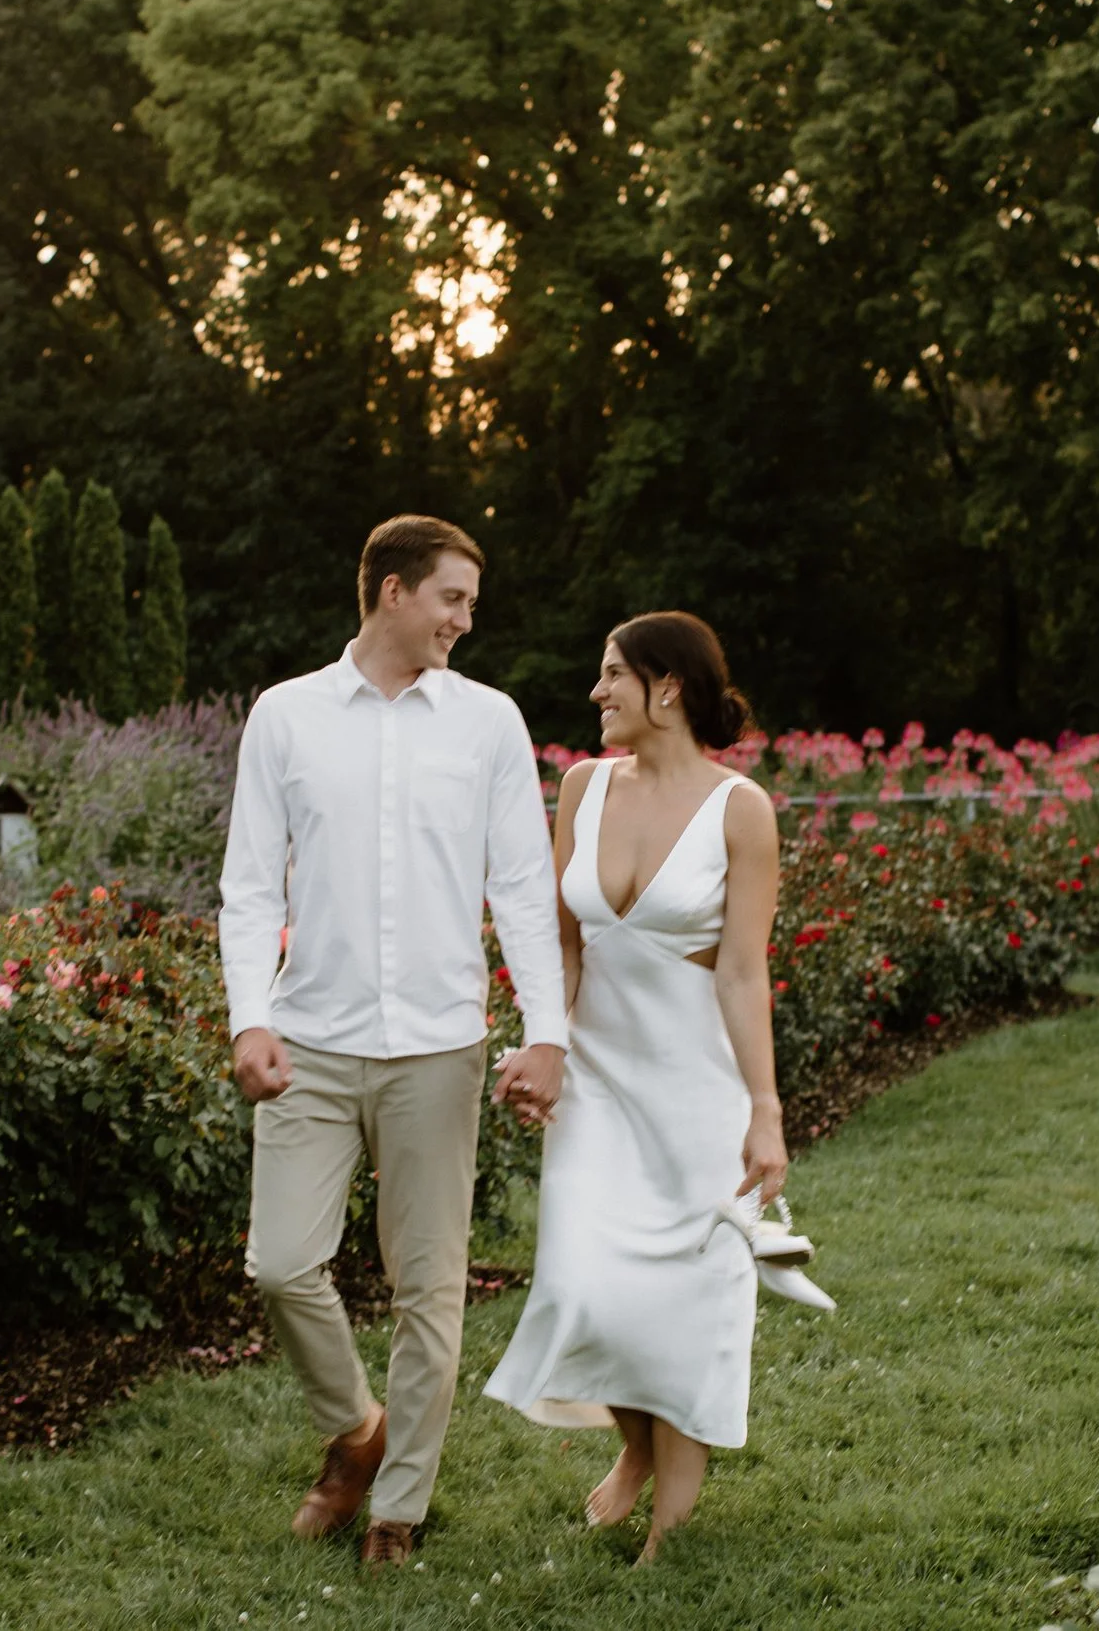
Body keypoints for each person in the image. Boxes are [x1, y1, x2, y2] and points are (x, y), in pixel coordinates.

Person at [217, 515, 571, 1569]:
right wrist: (249, 1013)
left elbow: (518, 886)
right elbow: (246, 884)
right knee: (281, 1263)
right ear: (390, 590)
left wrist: (544, 1031)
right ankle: (360, 1428)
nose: (466, 618)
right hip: (311, 1040)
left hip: (436, 1047)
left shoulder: (487, 722)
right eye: (453, 597)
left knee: (430, 1286)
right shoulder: (284, 716)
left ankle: (397, 1506)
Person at [483, 609, 787, 1565]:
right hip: (599, 1081)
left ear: (668, 687)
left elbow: (742, 971)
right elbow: (564, 943)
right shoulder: (581, 786)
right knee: (583, 1280)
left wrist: (765, 1112)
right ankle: (633, 1444)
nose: (596, 691)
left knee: (691, 1297)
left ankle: (671, 1526)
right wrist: (544, 1047)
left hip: (697, 1087)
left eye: (612, 674)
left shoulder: (743, 810)